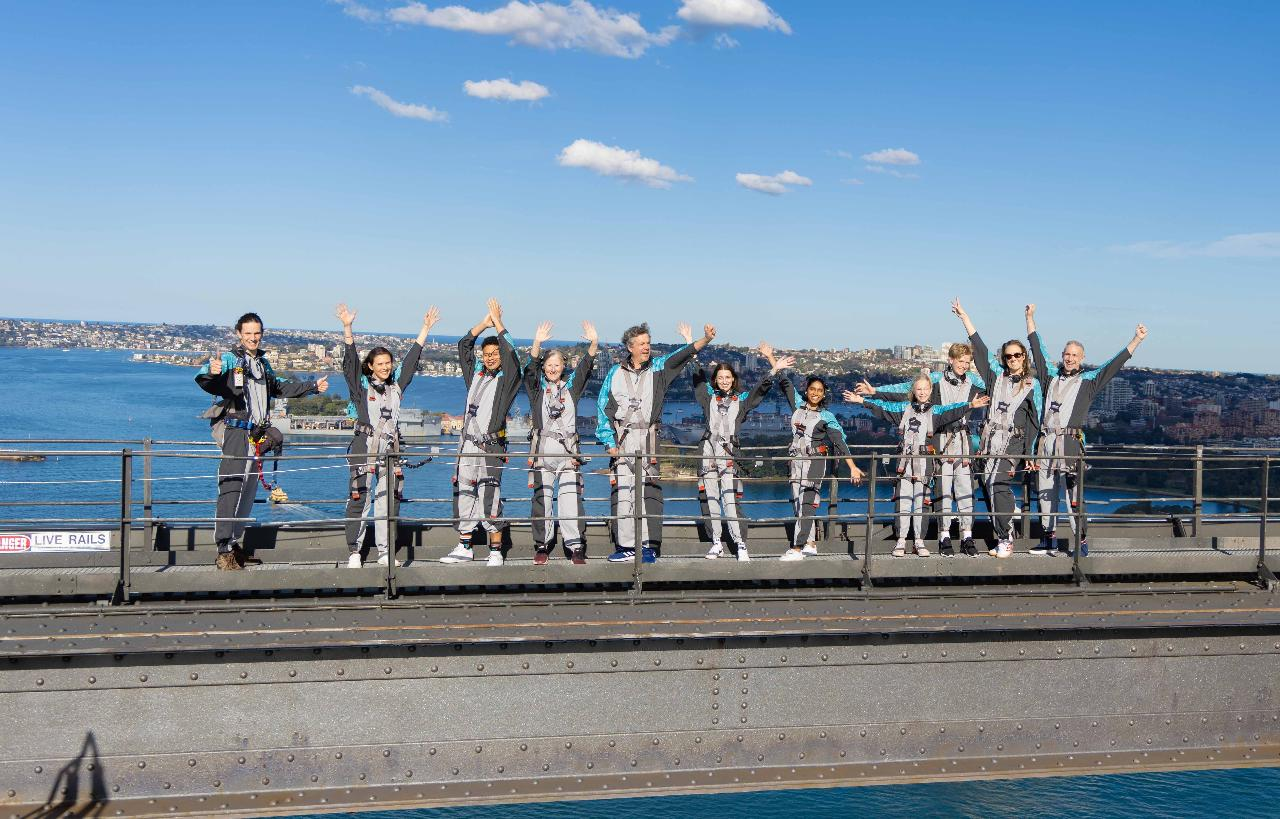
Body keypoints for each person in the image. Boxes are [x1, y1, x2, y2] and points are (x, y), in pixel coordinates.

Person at [196, 312, 328, 570]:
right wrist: (211, 372)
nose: (253, 337)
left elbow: (279, 388)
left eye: (257, 333)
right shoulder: (230, 360)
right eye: (248, 333)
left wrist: (312, 386)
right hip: (237, 433)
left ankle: (234, 545)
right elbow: (206, 380)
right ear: (239, 334)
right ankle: (223, 551)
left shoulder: (263, 364)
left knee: (247, 492)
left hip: (257, 435)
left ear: (261, 334)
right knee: (231, 489)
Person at [1026, 304, 1148, 555]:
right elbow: (1037, 350)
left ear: (1082, 358)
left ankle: (1080, 542)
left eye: (1075, 355)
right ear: (1062, 355)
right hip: (1046, 442)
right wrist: (1029, 318)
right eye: (1067, 354)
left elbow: (1113, 365)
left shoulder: (1089, 381)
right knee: (1045, 492)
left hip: (1070, 442)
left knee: (1072, 494)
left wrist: (1136, 339)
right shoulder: (1050, 377)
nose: (1070, 358)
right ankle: (1048, 539)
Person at [596, 322, 716, 563]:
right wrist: (609, 442)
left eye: (648, 343)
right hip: (622, 439)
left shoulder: (659, 368)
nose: (646, 347)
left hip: (649, 440)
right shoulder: (614, 374)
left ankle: (648, 547)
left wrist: (705, 340)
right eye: (641, 344)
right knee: (624, 495)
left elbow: (680, 356)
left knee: (648, 495)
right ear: (630, 347)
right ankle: (626, 547)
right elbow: (603, 409)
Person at [854, 344, 986, 556]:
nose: (963, 365)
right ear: (950, 360)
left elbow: (995, 380)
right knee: (942, 490)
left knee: (965, 490)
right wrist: (876, 392)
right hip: (940, 439)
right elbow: (907, 390)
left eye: (967, 362)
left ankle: (967, 536)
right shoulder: (935, 379)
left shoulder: (974, 382)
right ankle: (944, 536)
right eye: (960, 361)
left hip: (963, 440)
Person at [337, 303, 440, 568]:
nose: (385, 367)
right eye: (380, 364)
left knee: (387, 504)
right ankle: (354, 551)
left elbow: (410, 363)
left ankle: (385, 550)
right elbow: (350, 366)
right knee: (359, 498)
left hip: (390, 451)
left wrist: (425, 329)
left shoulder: (396, 387)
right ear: (370, 366)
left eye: (388, 363)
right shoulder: (361, 388)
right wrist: (347, 328)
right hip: (364, 447)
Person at [950, 299, 1043, 558]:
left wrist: (1030, 452)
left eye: (1017, 355)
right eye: (1008, 356)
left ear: (1024, 357)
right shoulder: (996, 377)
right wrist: (965, 317)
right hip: (990, 440)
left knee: (997, 482)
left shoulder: (1032, 385)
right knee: (987, 483)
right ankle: (1005, 521)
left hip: (1013, 441)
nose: (1013, 359)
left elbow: (1035, 421)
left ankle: (1006, 538)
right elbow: (980, 349)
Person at [440, 299, 528, 566]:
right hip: (467, 446)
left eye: (494, 353)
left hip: (491, 447)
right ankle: (464, 546)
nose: (490, 357)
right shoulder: (476, 376)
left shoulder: (507, 380)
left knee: (490, 495)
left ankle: (495, 551)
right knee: (464, 492)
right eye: (486, 354)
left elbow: (512, 355)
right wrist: (483, 324)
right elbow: (463, 346)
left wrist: (499, 323)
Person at [691, 341, 795, 560]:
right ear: (715, 380)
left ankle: (740, 544)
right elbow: (698, 378)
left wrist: (774, 368)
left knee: (729, 501)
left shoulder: (741, 400)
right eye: (720, 377)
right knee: (711, 498)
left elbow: (759, 389)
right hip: (708, 450)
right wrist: (691, 346)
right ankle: (717, 543)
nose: (724, 381)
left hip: (729, 452)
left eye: (728, 377)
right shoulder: (708, 397)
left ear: (733, 379)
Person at [525, 319, 599, 565]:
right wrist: (536, 343)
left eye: (557, 365)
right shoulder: (538, 391)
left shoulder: (572, 389)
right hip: (543, 453)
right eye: (549, 365)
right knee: (542, 500)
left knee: (570, 501)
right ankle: (542, 545)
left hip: (568, 454)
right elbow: (529, 372)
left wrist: (594, 342)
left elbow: (586, 368)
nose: (552, 369)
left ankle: (575, 545)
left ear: (563, 367)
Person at [778, 374, 864, 561]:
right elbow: (786, 383)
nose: (815, 393)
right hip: (795, 462)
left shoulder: (826, 416)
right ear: (806, 390)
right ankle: (810, 543)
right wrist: (774, 363)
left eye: (819, 390)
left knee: (807, 503)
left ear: (824, 394)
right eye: (812, 389)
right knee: (798, 504)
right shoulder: (798, 405)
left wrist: (852, 466)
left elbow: (839, 441)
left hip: (814, 463)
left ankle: (797, 548)